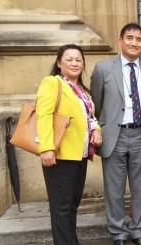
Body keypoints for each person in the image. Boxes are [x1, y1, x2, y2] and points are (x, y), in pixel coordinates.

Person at [90, 23, 141, 245]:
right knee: (114, 189)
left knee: (140, 188)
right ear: (120, 40)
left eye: (139, 39)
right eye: (130, 38)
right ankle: (118, 233)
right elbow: (97, 105)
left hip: (140, 134)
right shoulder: (103, 69)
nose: (134, 43)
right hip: (115, 136)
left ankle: (139, 232)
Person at [37, 44, 102, 245]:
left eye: (78, 60)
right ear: (59, 63)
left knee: (72, 205)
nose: (75, 63)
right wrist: (46, 148)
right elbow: (44, 115)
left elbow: (90, 117)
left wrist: (97, 130)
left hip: (79, 155)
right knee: (61, 208)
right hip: (60, 155)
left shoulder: (82, 90)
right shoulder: (52, 83)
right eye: (69, 59)